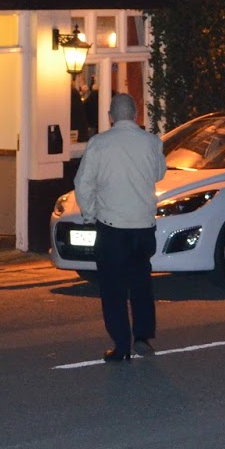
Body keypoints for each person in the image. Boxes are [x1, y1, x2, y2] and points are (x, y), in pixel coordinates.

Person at [73, 91, 165, 362]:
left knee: (112, 288)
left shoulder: (99, 144)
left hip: (112, 227)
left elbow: (83, 183)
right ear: (136, 115)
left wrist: (89, 214)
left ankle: (121, 344)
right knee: (140, 283)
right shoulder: (151, 142)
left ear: (110, 117)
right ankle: (143, 336)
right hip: (143, 226)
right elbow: (159, 173)